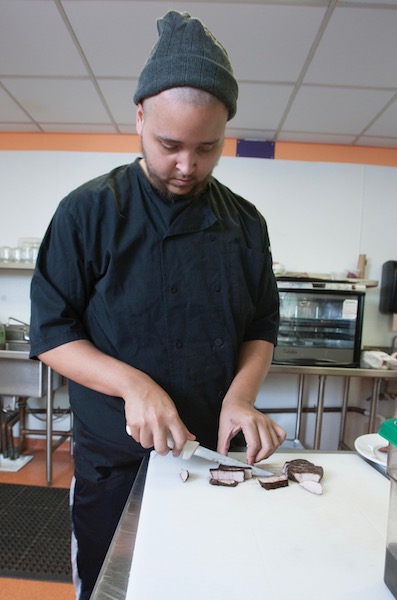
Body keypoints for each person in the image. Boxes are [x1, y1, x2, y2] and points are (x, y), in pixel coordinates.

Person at [29, 10, 286, 600]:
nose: (186, 166)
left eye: (207, 147)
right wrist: (133, 385)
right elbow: (50, 331)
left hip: (215, 457)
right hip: (115, 462)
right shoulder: (88, 212)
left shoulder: (245, 224)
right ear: (140, 115)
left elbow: (260, 324)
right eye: (169, 145)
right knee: (110, 586)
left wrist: (241, 396)